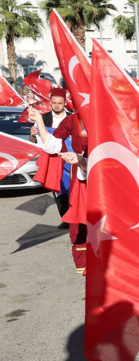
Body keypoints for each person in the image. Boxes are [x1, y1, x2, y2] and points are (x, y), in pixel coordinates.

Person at [27, 90, 88, 273]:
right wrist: (39, 120)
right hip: (80, 174)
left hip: (106, 173)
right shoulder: (71, 120)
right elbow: (53, 145)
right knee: (80, 217)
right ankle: (86, 261)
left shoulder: (108, 118)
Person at [29, 86, 72, 219]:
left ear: (65, 103)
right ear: (50, 102)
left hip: (70, 157)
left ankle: (75, 217)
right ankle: (65, 218)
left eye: (60, 103)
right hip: (52, 158)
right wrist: (33, 134)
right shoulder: (44, 118)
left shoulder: (72, 117)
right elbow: (34, 141)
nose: (57, 105)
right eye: (54, 103)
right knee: (57, 188)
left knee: (73, 188)